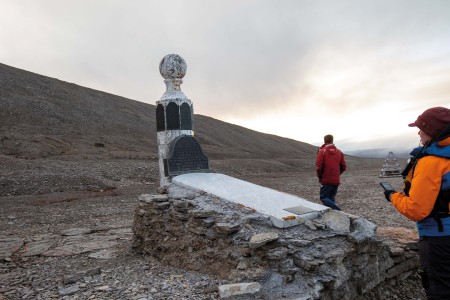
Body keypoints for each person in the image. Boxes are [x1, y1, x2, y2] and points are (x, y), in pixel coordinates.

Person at [383, 106, 450, 299]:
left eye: (421, 128)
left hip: (439, 237)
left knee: (440, 289)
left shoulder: (431, 162)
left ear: (433, 131)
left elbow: (416, 209)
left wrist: (392, 196)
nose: (419, 132)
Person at [315, 134, 346, 210]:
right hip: (336, 179)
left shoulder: (322, 151)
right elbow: (344, 166)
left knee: (324, 197)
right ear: (332, 140)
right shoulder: (339, 152)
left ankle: (338, 210)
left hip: (326, 179)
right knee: (331, 197)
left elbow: (319, 167)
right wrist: (337, 174)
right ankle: (334, 216)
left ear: (324, 141)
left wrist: (320, 177)